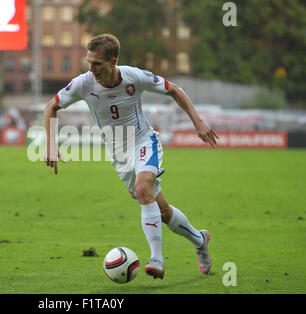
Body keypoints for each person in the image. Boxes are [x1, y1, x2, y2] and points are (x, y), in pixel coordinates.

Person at [44, 34, 219, 279]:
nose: (91, 69)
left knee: (143, 188)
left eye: (97, 64)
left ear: (113, 61)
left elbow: (174, 91)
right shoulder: (83, 83)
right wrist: (51, 144)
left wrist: (198, 123)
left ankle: (156, 259)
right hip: (119, 155)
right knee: (164, 212)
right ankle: (200, 240)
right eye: (89, 62)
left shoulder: (134, 76)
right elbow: (51, 106)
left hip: (143, 140)